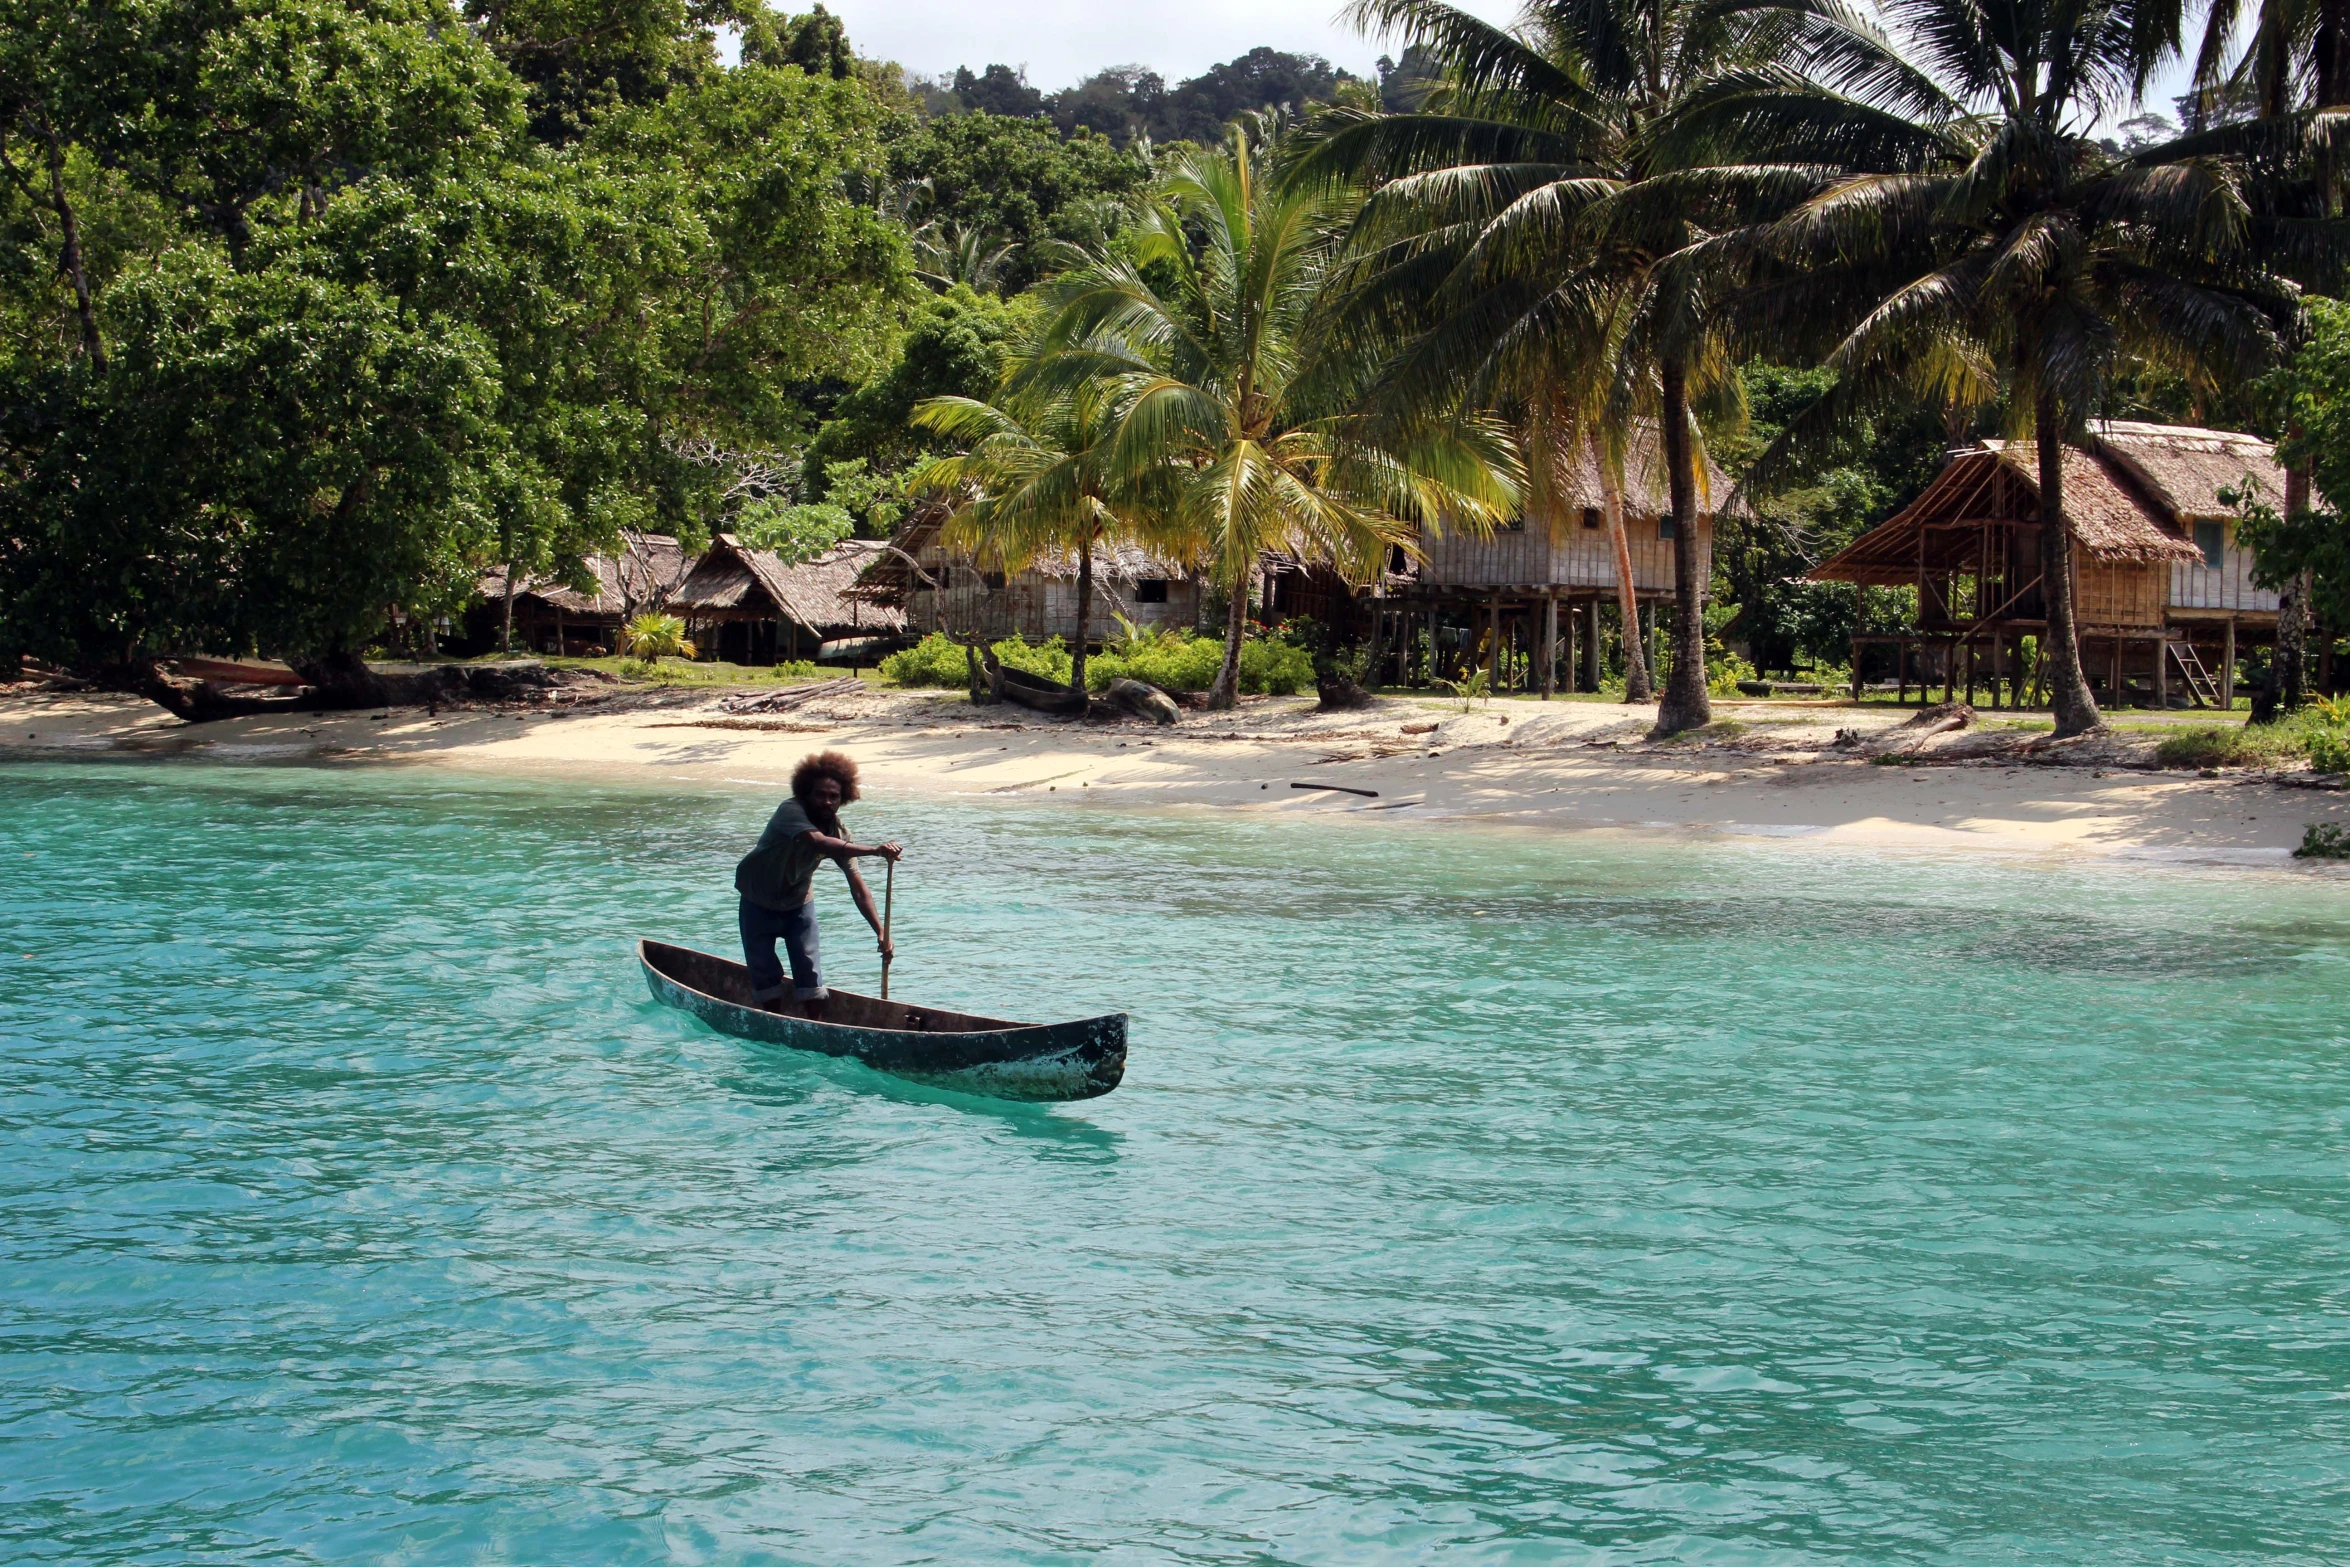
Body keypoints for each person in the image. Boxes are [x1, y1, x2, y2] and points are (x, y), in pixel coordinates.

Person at [735, 751, 900, 1016]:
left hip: (798, 903)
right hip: (757, 899)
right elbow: (818, 842)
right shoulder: (789, 811)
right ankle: (772, 1018)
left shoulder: (839, 832)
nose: (826, 801)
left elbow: (857, 885)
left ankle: (815, 1023)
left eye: (833, 796)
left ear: (843, 798)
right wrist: (874, 851)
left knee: (809, 970)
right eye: (820, 794)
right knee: (764, 970)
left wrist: (880, 931)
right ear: (806, 794)